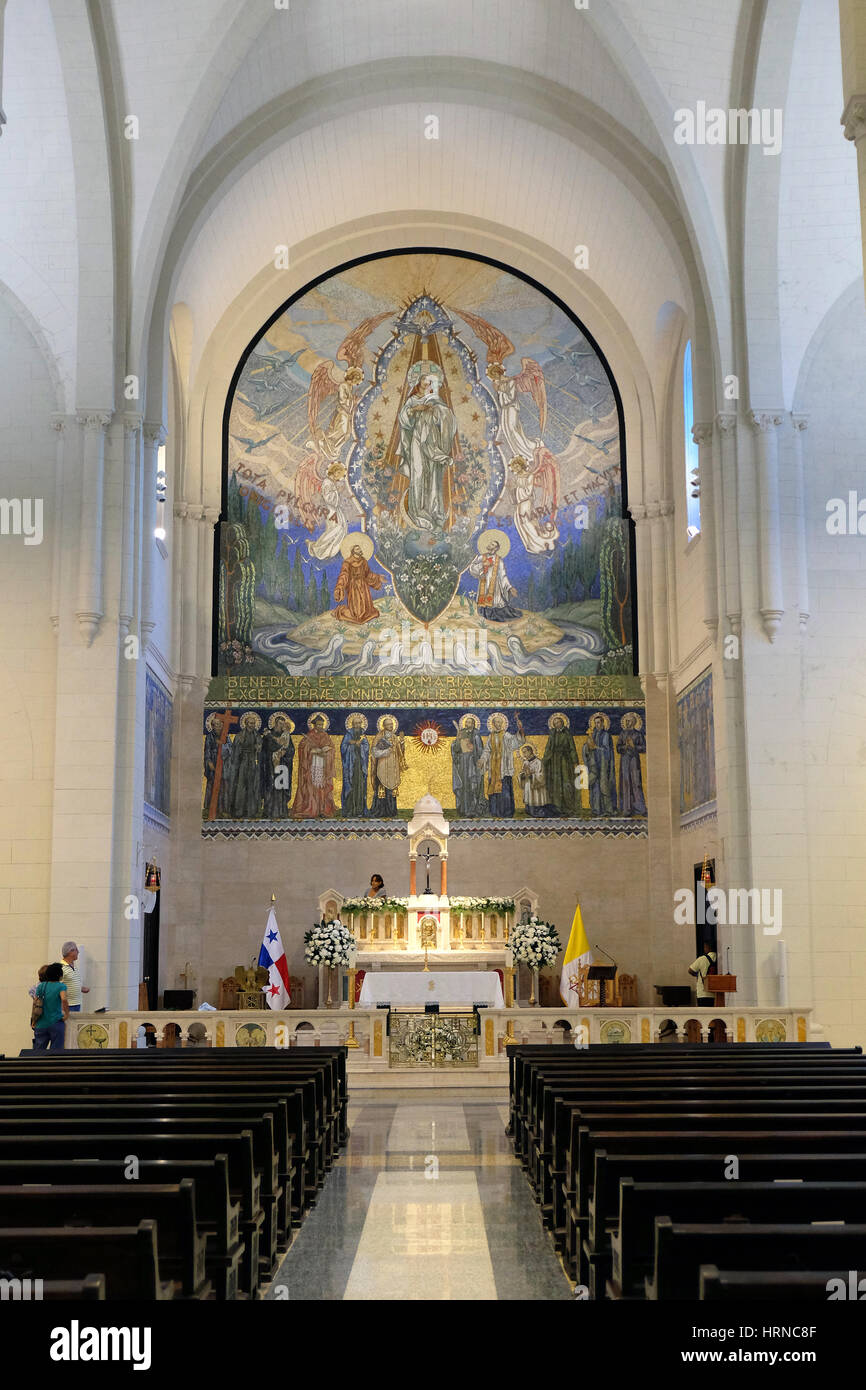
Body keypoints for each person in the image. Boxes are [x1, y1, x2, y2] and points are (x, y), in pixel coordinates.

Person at [32, 961, 69, 1050]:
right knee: (56, 1053)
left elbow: (35, 1003)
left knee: (38, 1052)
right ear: (59, 975)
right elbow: (64, 999)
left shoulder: (41, 986)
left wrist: (33, 1020)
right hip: (56, 1022)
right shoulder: (61, 986)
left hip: (41, 1023)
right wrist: (66, 1014)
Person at [61, 941, 89, 1012]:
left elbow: (70, 982)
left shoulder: (74, 966)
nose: (78, 952)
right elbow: (58, 987)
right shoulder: (61, 967)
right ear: (70, 952)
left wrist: (81, 988)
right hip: (67, 1005)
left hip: (77, 1003)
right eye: (76, 950)